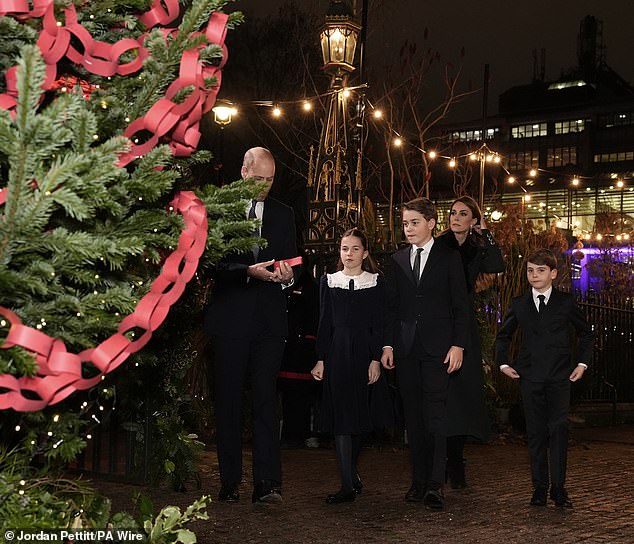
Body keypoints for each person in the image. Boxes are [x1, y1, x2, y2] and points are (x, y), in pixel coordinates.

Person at [204, 147, 297, 504]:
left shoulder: (284, 214)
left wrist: (288, 277)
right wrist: (246, 271)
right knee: (227, 403)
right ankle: (229, 483)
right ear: (244, 172)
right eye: (259, 179)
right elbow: (209, 263)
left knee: (265, 403)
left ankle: (267, 484)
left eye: (270, 180)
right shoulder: (219, 210)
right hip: (229, 320)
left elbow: (294, 260)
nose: (264, 187)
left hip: (270, 323)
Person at [381, 197, 470, 511]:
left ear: (431, 223)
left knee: (435, 416)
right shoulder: (397, 259)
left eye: (414, 222)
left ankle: (435, 485)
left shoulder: (449, 257)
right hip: (406, 350)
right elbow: (391, 308)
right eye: (405, 223)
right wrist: (388, 345)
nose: (408, 229)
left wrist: (458, 345)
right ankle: (418, 483)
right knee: (413, 419)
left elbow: (461, 305)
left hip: (439, 350)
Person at [495, 248, 594, 508]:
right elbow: (503, 335)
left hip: (561, 377)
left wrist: (582, 364)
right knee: (536, 433)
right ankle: (539, 488)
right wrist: (503, 363)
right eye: (530, 270)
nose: (534, 275)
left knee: (559, 430)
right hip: (530, 377)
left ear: (553, 273)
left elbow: (586, 334)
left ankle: (559, 489)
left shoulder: (566, 302)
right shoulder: (519, 303)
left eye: (540, 270)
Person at [311, 228, 392, 504]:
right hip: (336, 355)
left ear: (365, 253)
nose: (349, 254)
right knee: (342, 419)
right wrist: (320, 358)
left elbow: (380, 322)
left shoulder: (377, 282)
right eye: (345, 248)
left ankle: (350, 470)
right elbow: (323, 323)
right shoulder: (328, 281)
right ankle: (347, 484)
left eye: (355, 249)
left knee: (365, 419)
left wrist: (375, 359)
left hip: (365, 355)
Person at [436, 195, 505, 488]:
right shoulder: (439, 245)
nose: (455, 218)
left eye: (463, 214)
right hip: (439, 324)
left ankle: (457, 462)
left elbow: (497, 264)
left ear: (473, 220)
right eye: (452, 213)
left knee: (463, 396)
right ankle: (442, 463)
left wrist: (486, 232)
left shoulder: (478, 247)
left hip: (465, 327)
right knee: (442, 397)